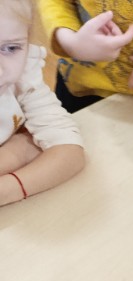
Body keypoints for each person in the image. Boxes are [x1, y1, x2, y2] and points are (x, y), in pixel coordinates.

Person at [0, 0, 84, 206]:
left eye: (10, 48)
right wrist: (21, 150)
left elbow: (69, 150)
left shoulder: (23, 75)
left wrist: (7, 189)